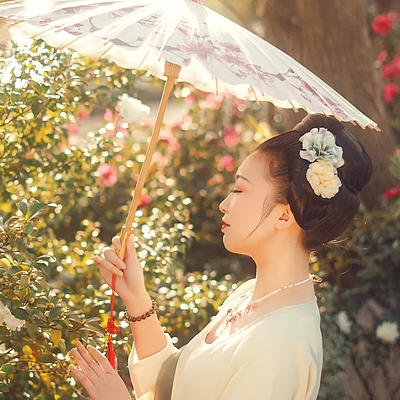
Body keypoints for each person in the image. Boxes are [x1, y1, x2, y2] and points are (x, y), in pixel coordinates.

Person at [68, 114, 373, 400]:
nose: (224, 205)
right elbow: (176, 385)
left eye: (239, 190)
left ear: (284, 216)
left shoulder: (280, 342)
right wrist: (137, 299)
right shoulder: (251, 296)